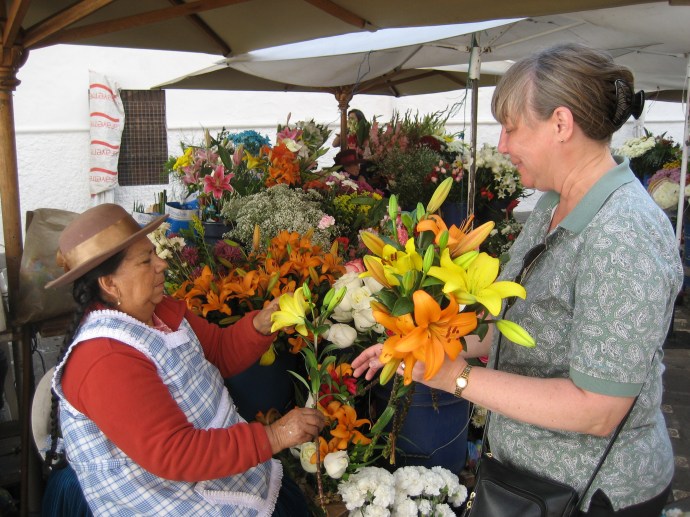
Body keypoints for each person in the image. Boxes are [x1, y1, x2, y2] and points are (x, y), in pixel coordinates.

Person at [353, 43, 683, 516]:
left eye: (511, 128)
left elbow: (598, 407)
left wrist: (456, 377)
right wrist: (421, 345)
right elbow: (510, 318)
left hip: (591, 496)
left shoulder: (623, 232)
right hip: (530, 484)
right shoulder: (553, 204)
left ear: (561, 125)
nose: (502, 145)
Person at [43, 203, 324, 516]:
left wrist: (260, 325)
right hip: (165, 494)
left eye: (155, 254)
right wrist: (274, 436)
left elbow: (217, 351)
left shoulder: (158, 309)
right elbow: (174, 453)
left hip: (214, 466)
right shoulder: (105, 359)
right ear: (109, 284)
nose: (161, 264)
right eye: (145, 261)